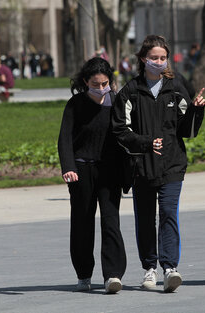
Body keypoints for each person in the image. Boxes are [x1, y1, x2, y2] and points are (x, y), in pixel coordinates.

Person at [112, 35, 205, 293]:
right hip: (141, 168)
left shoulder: (176, 88)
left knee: (168, 213)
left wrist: (198, 110)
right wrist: (144, 143)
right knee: (145, 218)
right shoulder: (130, 91)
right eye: (154, 58)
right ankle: (149, 269)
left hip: (172, 165)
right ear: (143, 59)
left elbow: (187, 130)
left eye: (163, 58)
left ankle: (170, 268)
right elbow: (120, 131)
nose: (159, 62)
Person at [57, 57, 127, 294]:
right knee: (82, 222)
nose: (100, 89)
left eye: (105, 83)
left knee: (111, 221)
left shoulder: (116, 102)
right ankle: (83, 274)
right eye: (95, 84)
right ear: (86, 82)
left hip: (109, 171)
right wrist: (68, 167)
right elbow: (64, 139)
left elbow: (126, 135)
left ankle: (113, 275)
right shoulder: (75, 104)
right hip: (81, 171)